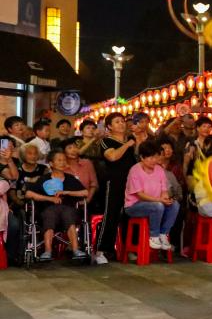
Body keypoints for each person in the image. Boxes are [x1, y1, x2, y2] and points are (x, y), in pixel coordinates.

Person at [24, 150, 88, 261]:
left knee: (67, 213)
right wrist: (50, 198)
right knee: (50, 214)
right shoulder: (44, 179)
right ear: (51, 163)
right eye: (59, 160)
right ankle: (48, 251)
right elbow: (28, 193)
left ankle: (75, 250)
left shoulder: (70, 179)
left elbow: (85, 193)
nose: (62, 162)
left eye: (64, 160)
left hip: (68, 210)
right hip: (48, 210)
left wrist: (66, 192)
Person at [96, 113, 138, 265]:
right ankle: (101, 250)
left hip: (131, 184)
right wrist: (127, 145)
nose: (121, 124)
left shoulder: (131, 140)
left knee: (131, 215)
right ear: (109, 126)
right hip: (113, 183)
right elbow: (112, 157)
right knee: (111, 216)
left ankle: (130, 248)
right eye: (117, 122)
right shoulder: (106, 141)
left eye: (122, 121)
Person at [124, 139, 180, 251]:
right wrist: (159, 200)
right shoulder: (135, 170)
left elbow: (164, 189)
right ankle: (153, 236)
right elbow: (140, 195)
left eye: (156, 157)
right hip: (134, 206)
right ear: (142, 157)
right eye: (151, 157)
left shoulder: (159, 170)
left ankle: (163, 234)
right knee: (158, 206)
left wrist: (165, 198)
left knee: (175, 205)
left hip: (155, 203)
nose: (154, 160)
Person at [62, 139, 98, 204]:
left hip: (87, 200)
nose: (74, 150)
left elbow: (94, 184)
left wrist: (88, 199)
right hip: (67, 202)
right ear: (64, 152)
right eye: (69, 148)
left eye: (75, 147)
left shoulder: (87, 163)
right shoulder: (61, 167)